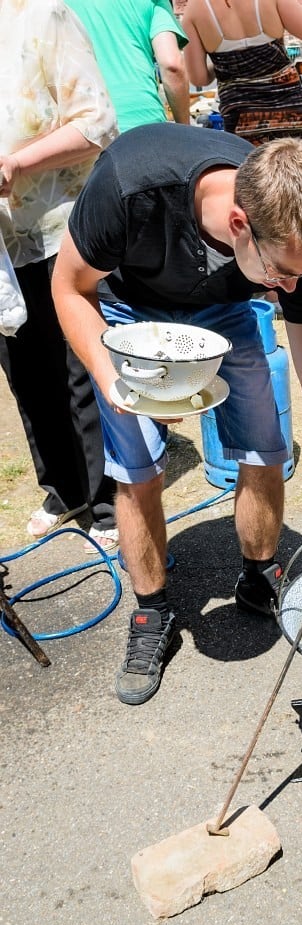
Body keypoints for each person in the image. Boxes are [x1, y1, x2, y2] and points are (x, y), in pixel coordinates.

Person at [51, 125, 302, 706]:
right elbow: (68, 287)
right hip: (128, 305)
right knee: (136, 463)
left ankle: (259, 575)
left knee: (264, 441)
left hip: (223, 307)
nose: (293, 287)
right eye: (283, 274)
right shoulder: (132, 187)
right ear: (239, 227)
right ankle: (152, 611)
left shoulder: (291, 247)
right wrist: (118, 380)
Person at [0, 0, 119, 551]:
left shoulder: (45, 14)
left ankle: (105, 502)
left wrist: (15, 165)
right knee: (24, 368)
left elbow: (97, 124)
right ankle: (61, 490)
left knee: (80, 369)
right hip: (4, 240)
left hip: (63, 224)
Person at [182, 0, 302, 145]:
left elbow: (199, 77)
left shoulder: (193, 10)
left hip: (241, 122)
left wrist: (230, 62)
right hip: (291, 113)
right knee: (300, 183)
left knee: (256, 187)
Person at [66, 0, 191, 133]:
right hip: (147, 122)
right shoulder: (154, 2)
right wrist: (186, 130)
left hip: (89, 126)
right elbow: (172, 65)